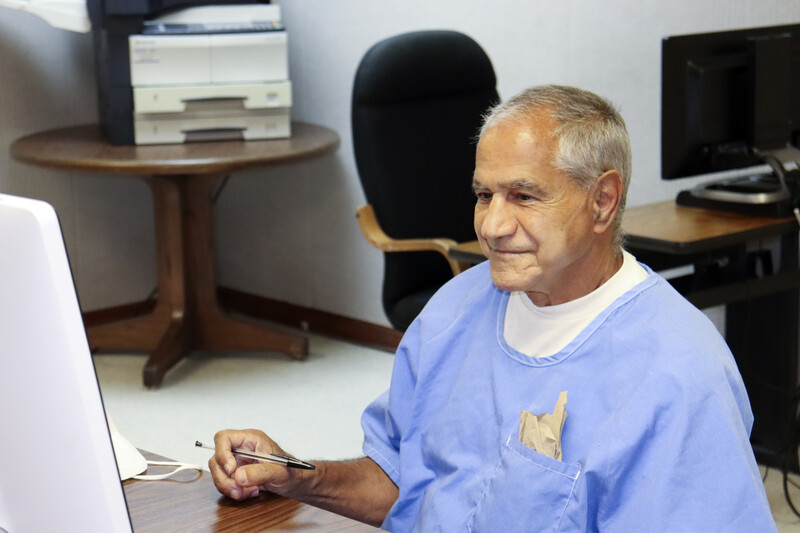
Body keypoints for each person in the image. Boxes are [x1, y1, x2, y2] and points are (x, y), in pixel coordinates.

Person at [209, 85, 777, 532]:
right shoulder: (459, 304)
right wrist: (298, 475)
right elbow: (404, 480)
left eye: (524, 196)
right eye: (484, 195)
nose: (490, 226)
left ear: (603, 200)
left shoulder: (677, 374)